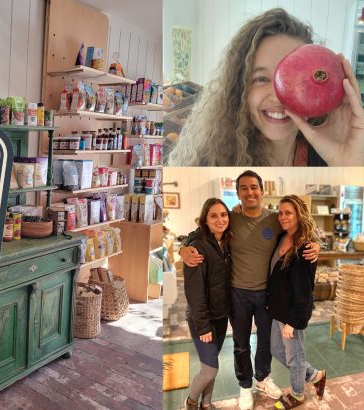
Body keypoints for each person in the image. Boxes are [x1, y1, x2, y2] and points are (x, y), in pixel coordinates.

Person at [180, 170, 320, 410]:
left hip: (266, 295)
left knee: (265, 343)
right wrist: (183, 248)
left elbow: (300, 228)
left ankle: (263, 379)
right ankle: (245, 386)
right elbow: (202, 231)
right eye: (243, 188)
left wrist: (317, 243)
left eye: (254, 187)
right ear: (238, 193)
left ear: (262, 191)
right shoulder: (231, 218)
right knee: (241, 343)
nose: (249, 192)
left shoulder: (275, 219)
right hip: (237, 294)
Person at [166, 8, 364, 166]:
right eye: (261, 78)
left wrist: (348, 163)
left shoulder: (330, 158)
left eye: (292, 79)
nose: (278, 97)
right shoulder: (207, 164)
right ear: (239, 90)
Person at [269, 195, 326, 408]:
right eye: (280, 212)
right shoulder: (281, 237)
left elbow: (304, 290)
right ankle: (314, 375)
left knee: (295, 357)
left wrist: (292, 322)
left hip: (293, 313)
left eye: (288, 213)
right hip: (277, 308)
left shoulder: (305, 248)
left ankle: (298, 394)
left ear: (299, 215)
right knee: (277, 350)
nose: (283, 217)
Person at [184, 199, 233, 410]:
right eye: (214, 215)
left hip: (220, 317)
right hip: (201, 320)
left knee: (209, 365)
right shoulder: (197, 247)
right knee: (210, 370)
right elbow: (194, 292)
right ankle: (191, 402)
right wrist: (203, 325)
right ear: (205, 219)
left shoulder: (228, 243)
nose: (220, 219)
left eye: (224, 214)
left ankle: (207, 403)